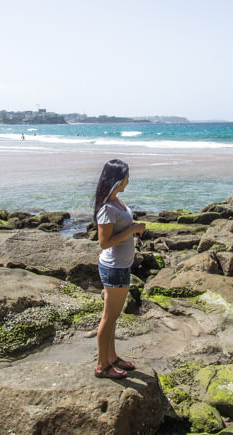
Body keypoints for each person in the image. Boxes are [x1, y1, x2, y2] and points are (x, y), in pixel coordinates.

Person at [92, 159, 145, 378]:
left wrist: (132, 230)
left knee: (113, 317)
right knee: (108, 317)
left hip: (120, 266)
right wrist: (132, 229)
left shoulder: (116, 200)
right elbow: (103, 242)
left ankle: (111, 358)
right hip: (114, 267)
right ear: (117, 179)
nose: (128, 180)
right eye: (126, 176)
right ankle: (102, 366)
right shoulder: (107, 207)